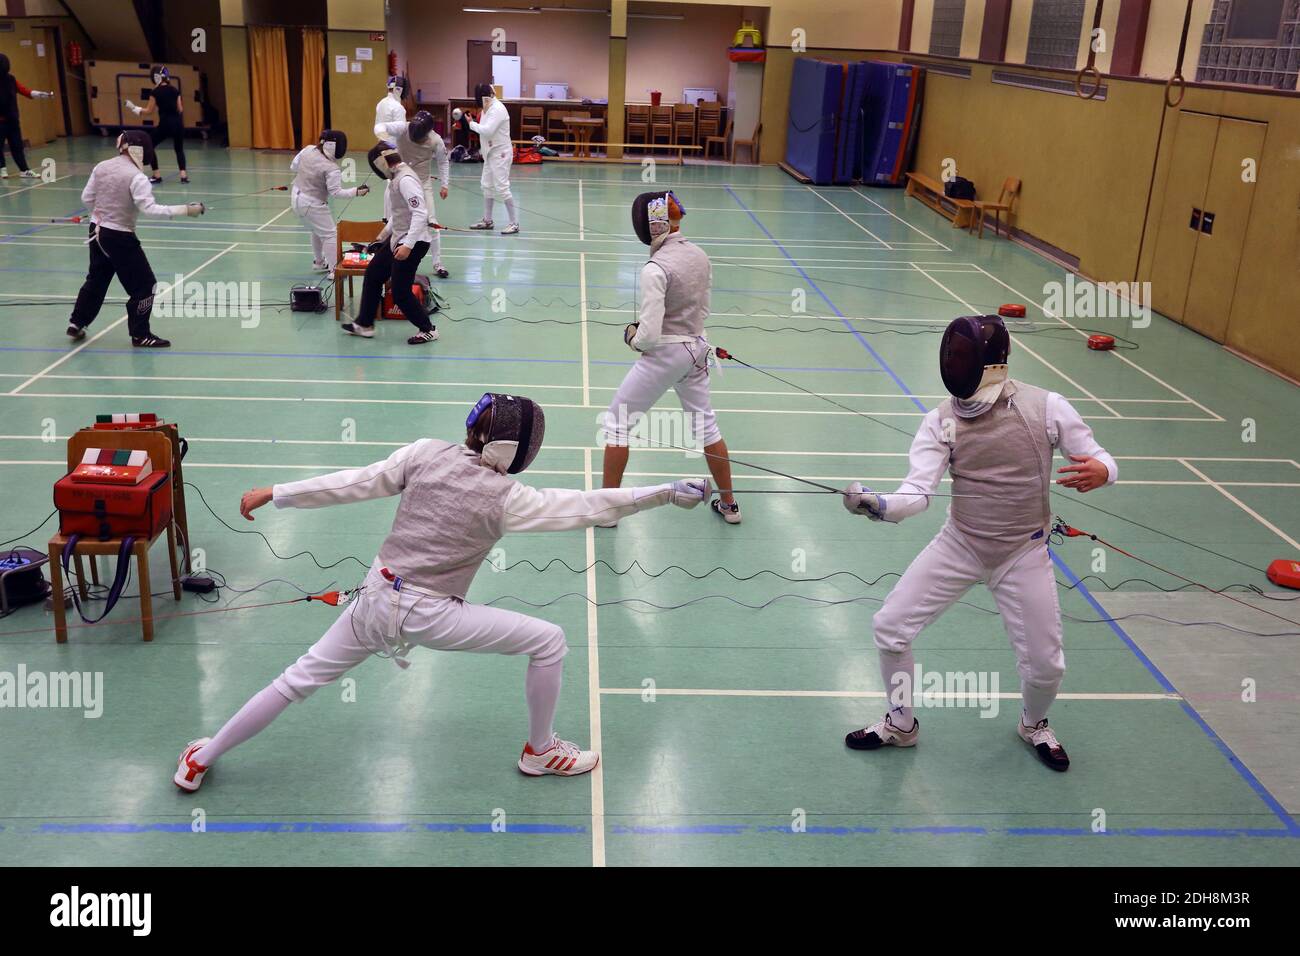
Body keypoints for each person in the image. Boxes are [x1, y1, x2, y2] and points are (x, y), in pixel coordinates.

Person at [172, 392, 711, 791]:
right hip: (429, 613)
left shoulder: (426, 453)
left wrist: (277, 491)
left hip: (374, 596)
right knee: (548, 641)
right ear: (520, 449)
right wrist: (663, 492)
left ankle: (202, 757)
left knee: (297, 679)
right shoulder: (510, 498)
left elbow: (356, 481)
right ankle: (540, 751)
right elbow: (590, 506)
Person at [840, 314, 1118, 772]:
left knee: (1047, 666)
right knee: (890, 627)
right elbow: (916, 495)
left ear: (992, 365)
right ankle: (900, 723)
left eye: (965, 357)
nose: (956, 365)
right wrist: (877, 504)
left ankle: (1033, 724)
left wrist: (1102, 470)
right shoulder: (941, 422)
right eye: (953, 356)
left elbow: (1101, 455)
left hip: (1023, 551)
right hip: (961, 543)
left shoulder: (1045, 408)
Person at [601, 191, 739, 526]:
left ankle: (607, 510)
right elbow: (703, 310)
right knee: (706, 426)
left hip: (667, 353)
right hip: (697, 348)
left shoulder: (654, 269)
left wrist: (632, 337)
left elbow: (648, 334)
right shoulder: (700, 255)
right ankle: (730, 506)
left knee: (617, 424)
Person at [65, 132, 206, 349]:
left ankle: (76, 322)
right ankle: (140, 334)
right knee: (145, 286)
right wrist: (186, 210)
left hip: (96, 230)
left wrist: (101, 215)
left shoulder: (101, 166)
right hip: (119, 237)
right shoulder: (137, 177)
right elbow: (150, 210)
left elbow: (87, 198)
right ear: (141, 150)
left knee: (98, 278)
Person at [340, 143, 437, 345]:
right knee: (374, 274)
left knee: (400, 293)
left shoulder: (406, 180)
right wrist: (380, 238)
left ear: (381, 163)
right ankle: (364, 324)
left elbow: (420, 214)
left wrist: (408, 245)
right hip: (399, 239)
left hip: (414, 241)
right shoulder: (396, 177)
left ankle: (428, 329)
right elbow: (398, 215)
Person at [374, 110, 451, 279]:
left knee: (432, 223)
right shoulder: (402, 128)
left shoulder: (436, 140)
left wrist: (444, 184)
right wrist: (384, 138)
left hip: (422, 185)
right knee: (393, 223)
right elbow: (380, 125)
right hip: (398, 183)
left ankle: (438, 264)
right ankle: (387, 259)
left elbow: (443, 162)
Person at [289, 129, 368, 278]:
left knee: (316, 229)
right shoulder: (332, 168)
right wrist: (356, 191)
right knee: (330, 234)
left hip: (296, 197)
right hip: (312, 204)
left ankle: (319, 262)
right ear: (334, 146)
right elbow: (336, 193)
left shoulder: (308, 149)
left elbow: (293, 167)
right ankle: (334, 271)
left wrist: (308, 173)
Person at [466, 83, 518, 234]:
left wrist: (471, 124)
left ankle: (514, 223)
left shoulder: (497, 109)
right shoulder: (487, 108)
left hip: (501, 152)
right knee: (486, 185)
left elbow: (487, 131)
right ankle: (488, 221)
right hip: (490, 153)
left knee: (502, 187)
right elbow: (484, 131)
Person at [124, 66, 188, 184]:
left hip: (165, 124)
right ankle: (183, 176)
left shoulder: (155, 92)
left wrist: (133, 107)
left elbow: (149, 111)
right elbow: (180, 109)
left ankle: (156, 175)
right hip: (179, 124)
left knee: (150, 144)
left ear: (155, 77)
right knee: (179, 149)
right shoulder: (175, 90)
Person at [0, 53, 54, 180]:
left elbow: (25, 91)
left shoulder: (11, 79)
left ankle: (24, 170)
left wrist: (42, 94)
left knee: (17, 145)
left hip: (12, 119)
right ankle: (2, 169)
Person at [374, 75, 408, 139]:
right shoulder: (398, 107)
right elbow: (402, 131)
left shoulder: (380, 103)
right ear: (399, 90)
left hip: (381, 142)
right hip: (394, 146)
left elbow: (378, 126)